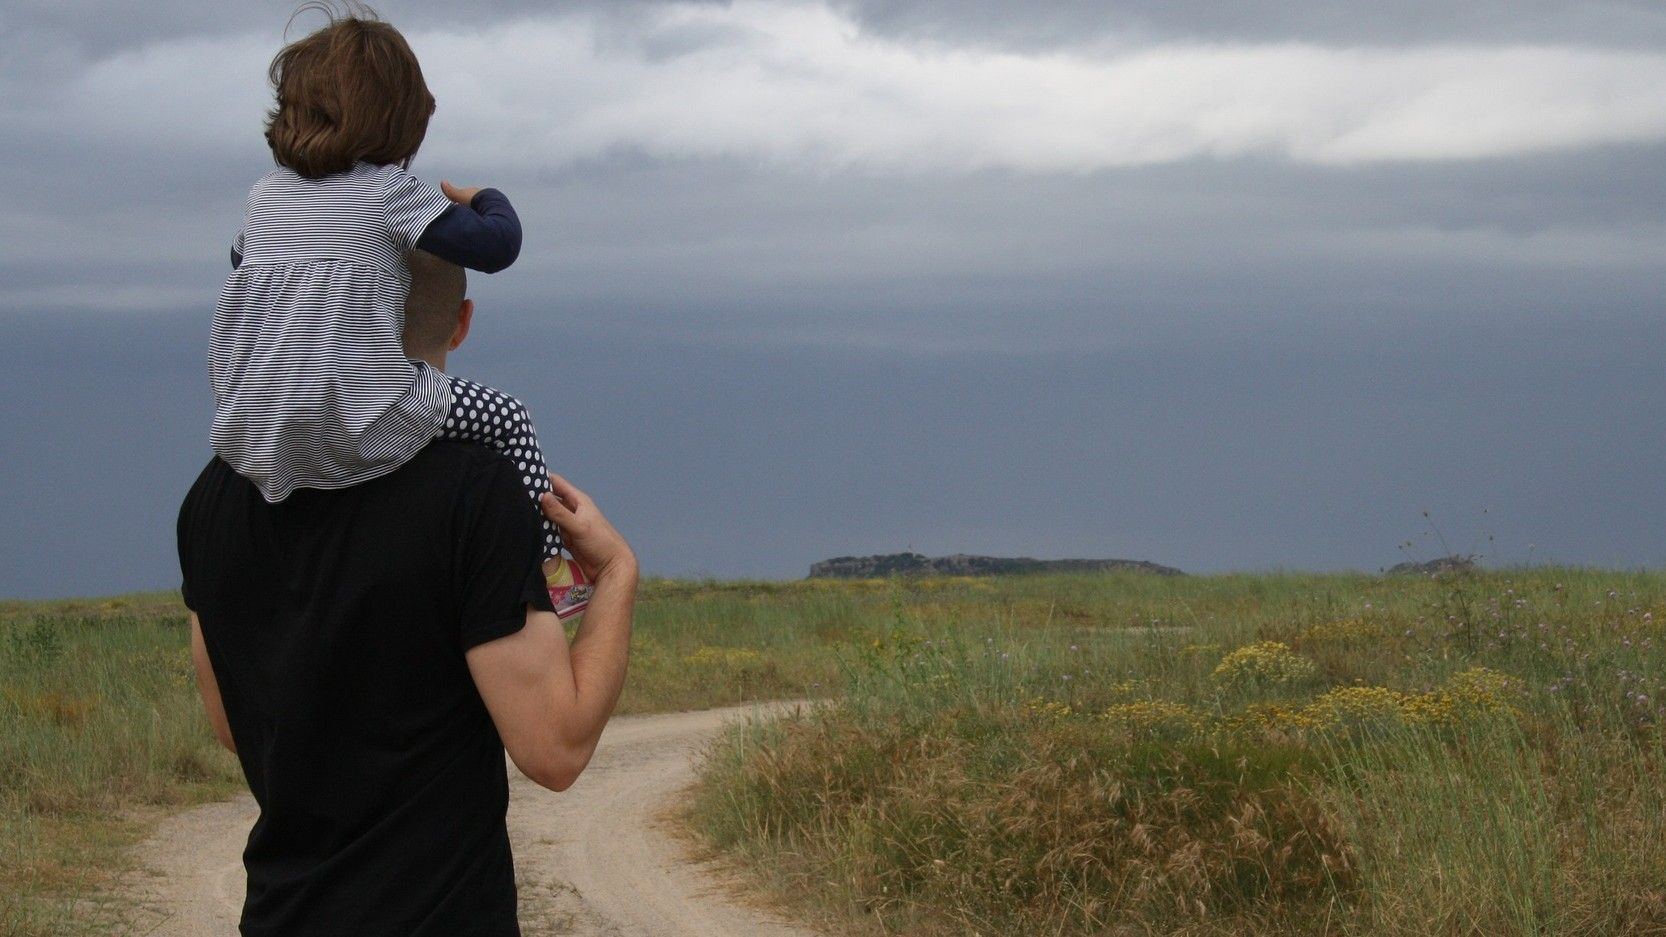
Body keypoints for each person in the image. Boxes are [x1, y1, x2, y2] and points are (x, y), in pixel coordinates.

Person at [178, 255, 638, 936]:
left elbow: (230, 726)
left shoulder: (213, 496)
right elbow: (556, 749)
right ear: (461, 322)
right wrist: (618, 575)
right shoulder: (475, 493)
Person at [212, 6, 580, 610]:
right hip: (368, 419)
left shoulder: (262, 200)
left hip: (259, 423)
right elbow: (498, 246)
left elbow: (242, 267)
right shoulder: (388, 193)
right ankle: (552, 575)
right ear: (399, 123)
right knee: (510, 419)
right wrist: (481, 197)